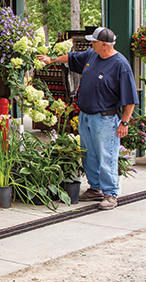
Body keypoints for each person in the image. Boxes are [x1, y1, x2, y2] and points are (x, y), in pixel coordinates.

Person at [37, 26, 137, 211]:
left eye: (94, 41)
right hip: (86, 117)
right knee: (88, 154)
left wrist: (124, 122)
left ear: (104, 44)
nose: (90, 44)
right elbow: (72, 58)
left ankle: (111, 194)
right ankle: (95, 188)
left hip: (106, 119)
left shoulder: (120, 65)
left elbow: (130, 99)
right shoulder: (92, 55)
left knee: (106, 155)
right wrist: (52, 60)